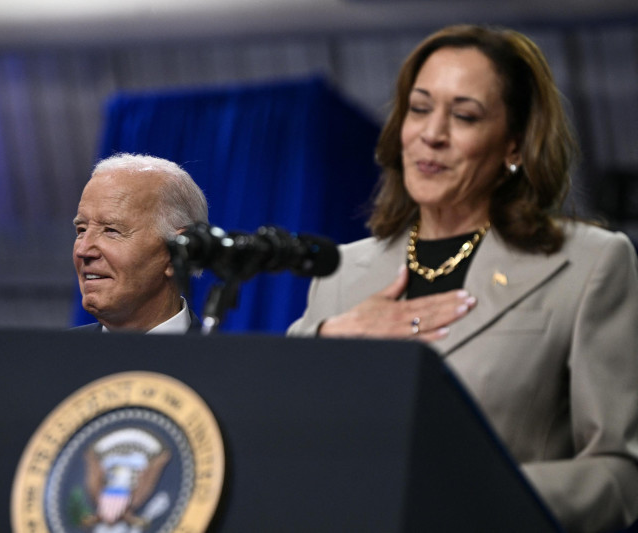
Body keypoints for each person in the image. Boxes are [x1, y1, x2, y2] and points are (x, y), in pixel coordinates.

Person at [288, 24, 638, 533]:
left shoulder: (590, 264)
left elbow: (621, 472)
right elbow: (285, 431)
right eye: (419, 108)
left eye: (465, 116)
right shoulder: (340, 270)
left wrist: (477, 496)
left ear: (514, 145)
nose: (432, 133)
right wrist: (330, 338)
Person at [73, 153, 208, 333]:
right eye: (82, 230)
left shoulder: (226, 352)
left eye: (111, 230)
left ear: (179, 253)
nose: (83, 250)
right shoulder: (51, 350)